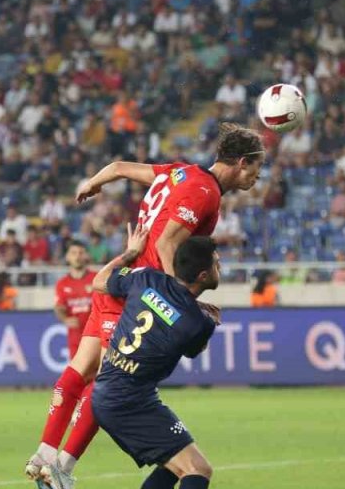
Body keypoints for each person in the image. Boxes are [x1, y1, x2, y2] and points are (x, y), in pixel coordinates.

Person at [26, 123, 265, 488]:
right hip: (137, 293)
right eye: (256, 169)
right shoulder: (205, 192)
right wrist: (177, 299)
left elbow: (119, 167)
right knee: (110, 376)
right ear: (242, 162)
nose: (257, 177)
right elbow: (167, 243)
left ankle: (47, 455)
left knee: (84, 366)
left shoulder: (182, 171)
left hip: (123, 278)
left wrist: (93, 183)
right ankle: (61, 465)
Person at [90, 228, 221, 489]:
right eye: (217, 264)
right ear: (203, 276)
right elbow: (194, 347)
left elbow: (99, 281)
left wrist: (130, 253)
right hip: (128, 402)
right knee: (197, 469)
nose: (221, 267)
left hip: (111, 391)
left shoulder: (146, 278)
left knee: (174, 466)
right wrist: (203, 316)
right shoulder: (199, 323)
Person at [54, 242, 96, 358]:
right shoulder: (62, 284)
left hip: (96, 337)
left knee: (100, 369)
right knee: (77, 369)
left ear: (86, 256)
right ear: (67, 257)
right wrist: (65, 318)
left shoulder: (97, 279)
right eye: (73, 253)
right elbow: (59, 307)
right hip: (76, 339)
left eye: (81, 253)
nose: (77, 256)